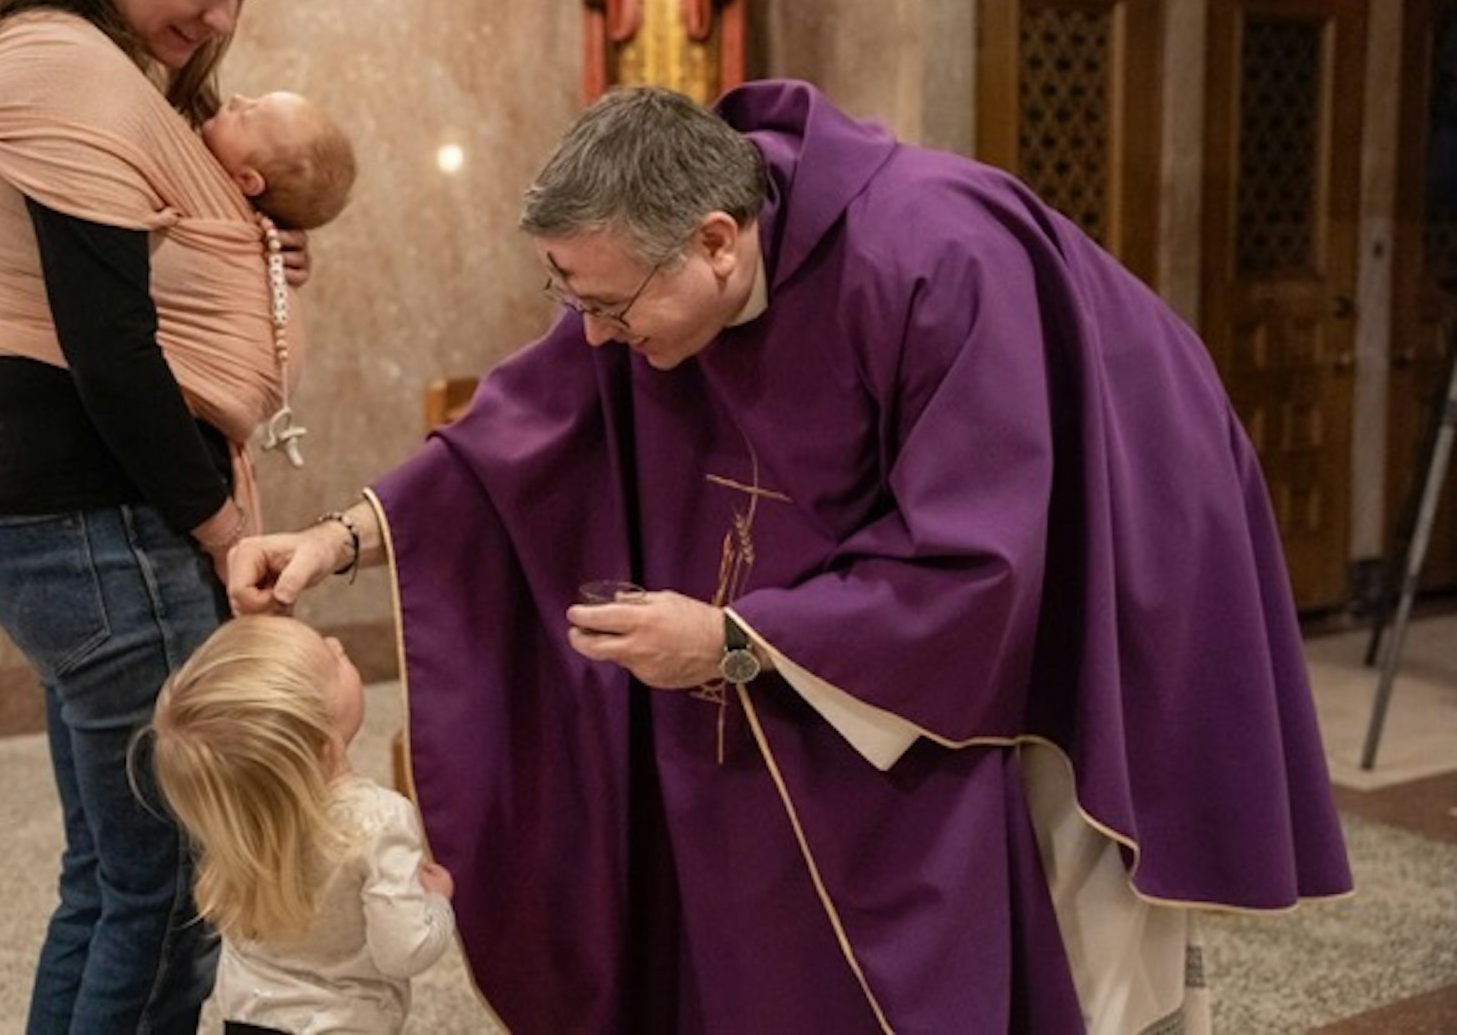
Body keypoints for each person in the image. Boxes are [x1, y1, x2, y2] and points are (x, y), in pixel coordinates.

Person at [227, 80, 1354, 1033]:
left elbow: (977, 558)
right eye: (575, 301)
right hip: (939, 558)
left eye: (611, 307)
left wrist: (734, 637)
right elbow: (528, 427)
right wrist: (342, 538)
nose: (600, 337)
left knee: (1074, 912)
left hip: (1097, 543)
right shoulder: (660, 244)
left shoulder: (940, 260)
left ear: (716, 243)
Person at [0, 0, 316, 1030]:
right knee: (175, 893)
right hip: (107, 531)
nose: (222, 18)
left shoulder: (78, 67)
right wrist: (228, 531)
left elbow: (133, 295)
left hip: (71, 529)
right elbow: (110, 350)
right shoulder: (63, 69)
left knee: (112, 878)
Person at [145, 616, 457, 1035]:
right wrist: (436, 902)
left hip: (249, 1016)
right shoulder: (378, 820)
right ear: (324, 746)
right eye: (332, 661)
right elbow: (404, 951)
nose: (336, 643)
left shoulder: (235, 813)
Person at [200, 90, 357, 231]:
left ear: (247, 180)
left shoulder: (210, 220)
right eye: (254, 100)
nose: (237, 98)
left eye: (245, 117)